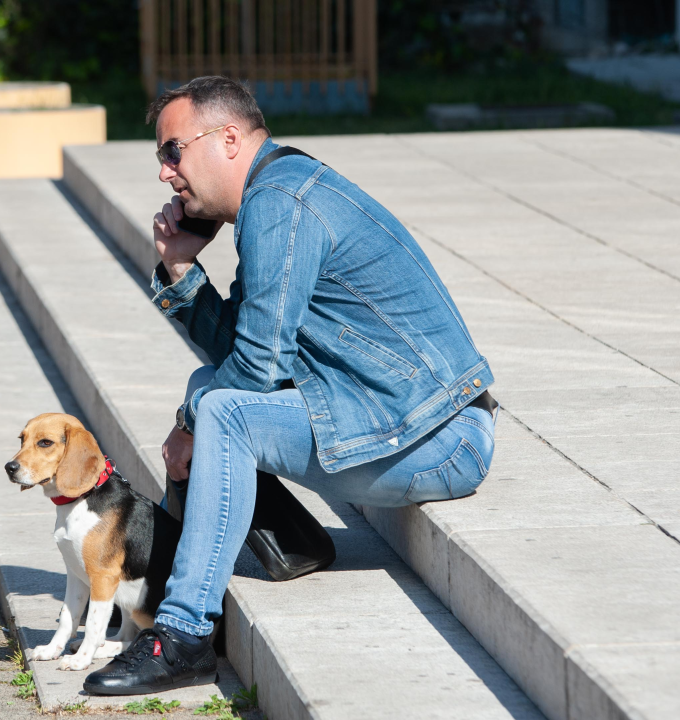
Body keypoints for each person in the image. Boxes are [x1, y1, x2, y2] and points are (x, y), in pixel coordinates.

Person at [83, 76, 498, 695]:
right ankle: (284, 545)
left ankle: (183, 634)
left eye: (173, 151)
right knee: (211, 388)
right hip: (395, 413)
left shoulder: (280, 204)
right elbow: (246, 349)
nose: (165, 173)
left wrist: (190, 420)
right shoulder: (275, 192)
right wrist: (179, 267)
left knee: (221, 410)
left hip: (439, 438)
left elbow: (256, 368)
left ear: (228, 138)